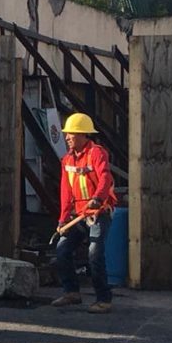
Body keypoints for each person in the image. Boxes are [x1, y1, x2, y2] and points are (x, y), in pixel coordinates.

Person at [51, 112, 117, 314]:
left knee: (94, 252)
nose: (67, 137)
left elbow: (104, 178)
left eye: (71, 133)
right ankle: (72, 292)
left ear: (82, 135)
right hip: (78, 214)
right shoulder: (67, 160)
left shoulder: (97, 153)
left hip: (99, 212)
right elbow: (65, 192)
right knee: (62, 250)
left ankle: (103, 299)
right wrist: (63, 219)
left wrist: (97, 198)